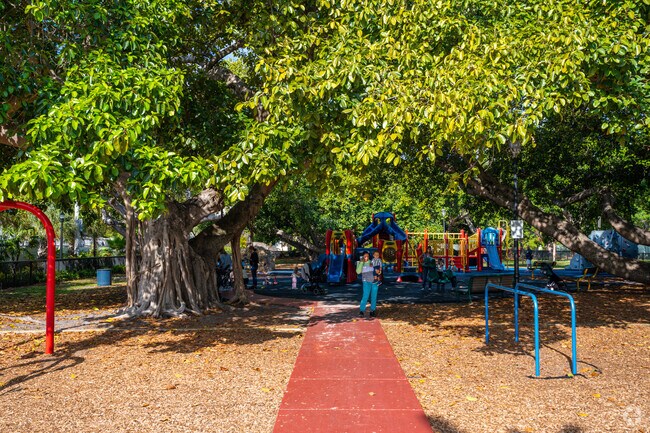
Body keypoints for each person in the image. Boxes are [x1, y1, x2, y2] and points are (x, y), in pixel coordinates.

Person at [356, 252, 379, 318]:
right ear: (362, 257)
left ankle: (372, 311)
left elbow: (378, 270)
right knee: (365, 296)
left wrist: (378, 272)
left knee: (374, 296)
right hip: (366, 282)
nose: (366, 257)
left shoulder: (372, 262)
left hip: (374, 281)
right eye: (365, 256)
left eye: (367, 256)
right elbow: (358, 271)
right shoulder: (359, 262)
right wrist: (361, 262)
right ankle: (361, 311)